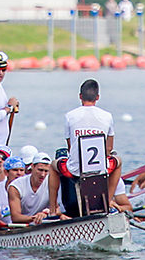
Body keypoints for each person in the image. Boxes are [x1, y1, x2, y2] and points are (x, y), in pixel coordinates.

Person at [50, 78, 121, 218]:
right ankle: (108, 200)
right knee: (118, 161)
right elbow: (109, 148)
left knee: (52, 166)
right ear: (98, 97)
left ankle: (53, 208)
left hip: (75, 170)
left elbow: (70, 147)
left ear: (80, 96)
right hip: (101, 169)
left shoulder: (70, 116)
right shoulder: (107, 116)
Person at [7, 152, 54, 224]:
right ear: (32, 167)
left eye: (46, 171)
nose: (43, 174)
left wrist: (45, 213)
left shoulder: (52, 182)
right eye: (40, 170)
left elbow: (56, 209)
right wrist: (36, 218)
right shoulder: (15, 186)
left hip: (44, 223)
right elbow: (16, 217)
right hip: (22, 226)